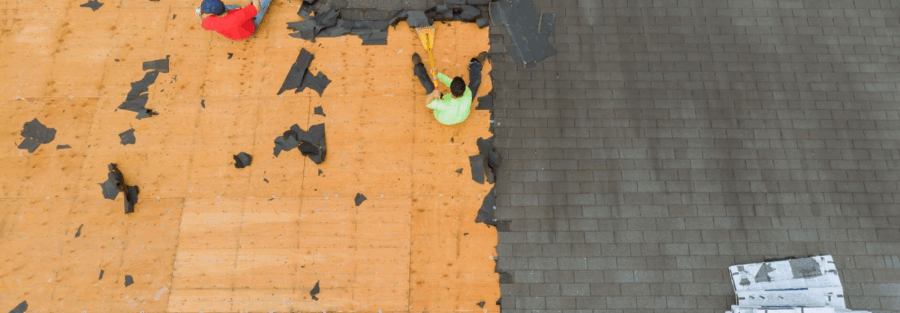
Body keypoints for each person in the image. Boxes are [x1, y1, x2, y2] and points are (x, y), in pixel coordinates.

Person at [412, 52, 488, 125]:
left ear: (450, 90)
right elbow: (450, 82)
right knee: (476, 81)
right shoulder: (468, 94)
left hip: (443, 119)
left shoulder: (444, 105)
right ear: (464, 88)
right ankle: (475, 64)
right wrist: (437, 74)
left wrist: (432, 94)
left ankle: (418, 67)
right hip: (462, 117)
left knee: (428, 85)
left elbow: (428, 103)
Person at [196, 0, 271, 40]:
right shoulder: (240, 14)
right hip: (250, 29)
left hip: (236, 35)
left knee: (234, 9)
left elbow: (201, 23)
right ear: (222, 2)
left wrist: (198, 14)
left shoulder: (211, 22)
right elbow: (257, 8)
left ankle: (235, 7)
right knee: (262, 2)